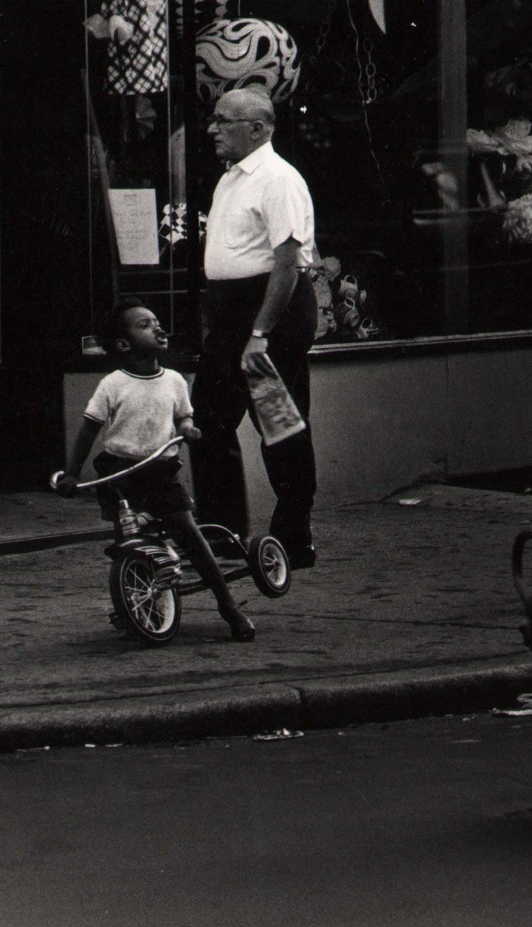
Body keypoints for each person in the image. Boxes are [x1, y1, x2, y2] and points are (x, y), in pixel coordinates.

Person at [57, 297, 256, 643]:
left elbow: (182, 415)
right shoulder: (113, 384)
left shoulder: (175, 380)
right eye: (145, 325)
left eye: (157, 322)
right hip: (120, 472)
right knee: (129, 538)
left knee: (189, 532)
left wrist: (188, 428)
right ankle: (137, 602)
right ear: (123, 344)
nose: (158, 327)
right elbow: (89, 429)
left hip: (160, 469)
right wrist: (71, 474)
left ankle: (228, 606)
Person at [192, 86, 319, 569]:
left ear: (258, 128)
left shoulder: (278, 179)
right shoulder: (230, 179)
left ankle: (294, 536)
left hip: (269, 311)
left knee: (279, 424)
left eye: (223, 121)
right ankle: (222, 533)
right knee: (208, 421)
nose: (212, 129)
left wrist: (260, 333)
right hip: (230, 314)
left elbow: (288, 263)